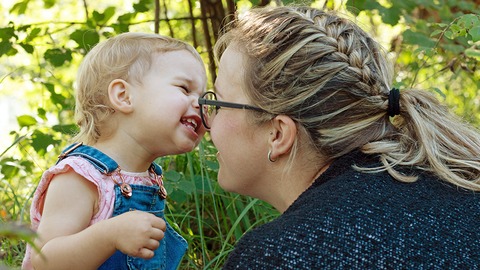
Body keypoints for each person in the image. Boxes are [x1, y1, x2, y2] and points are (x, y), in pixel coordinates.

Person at [198, 6, 480, 268]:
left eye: (219, 104)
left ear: (278, 134)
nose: (207, 119)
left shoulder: (279, 255)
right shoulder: (458, 187)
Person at [22, 32, 207, 270]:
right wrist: (109, 235)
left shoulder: (148, 176)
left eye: (203, 96)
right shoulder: (80, 176)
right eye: (184, 88)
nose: (200, 104)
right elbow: (45, 261)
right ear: (123, 96)